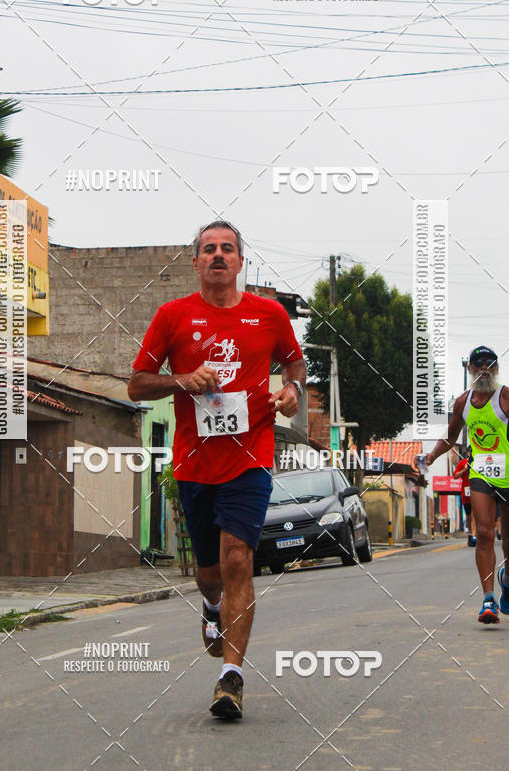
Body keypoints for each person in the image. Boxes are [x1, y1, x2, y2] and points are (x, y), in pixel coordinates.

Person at [128, 220, 306, 718]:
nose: (219, 256)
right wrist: (182, 379)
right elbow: (136, 385)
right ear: (197, 261)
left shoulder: (269, 315)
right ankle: (210, 607)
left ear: (241, 261)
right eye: (210, 249)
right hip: (193, 463)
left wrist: (292, 391)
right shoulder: (173, 316)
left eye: (228, 248)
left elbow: (295, 364)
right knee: (210, 574)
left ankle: (231, 677)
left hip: (250, 458)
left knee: (236, 562)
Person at [424, 346, 509, 623]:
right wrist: (431, 456)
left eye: (489, 364)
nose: (484, 369)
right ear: (470, 370)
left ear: (496, 368)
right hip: (482, 476)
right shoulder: (463, 403)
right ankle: (488, 600)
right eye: (478, 365)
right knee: (486, 533)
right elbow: (451, 436)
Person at [453, 446, 476, 546]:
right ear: (467, 453)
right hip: (466, 493)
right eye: (471, 452)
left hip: (478, 491)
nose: (472, 453)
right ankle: (470, 534)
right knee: (468, 515)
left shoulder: (479, 462)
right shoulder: (463, 463)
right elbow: (455, 476)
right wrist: (464, 470)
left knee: (474, 514)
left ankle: (474, 535)